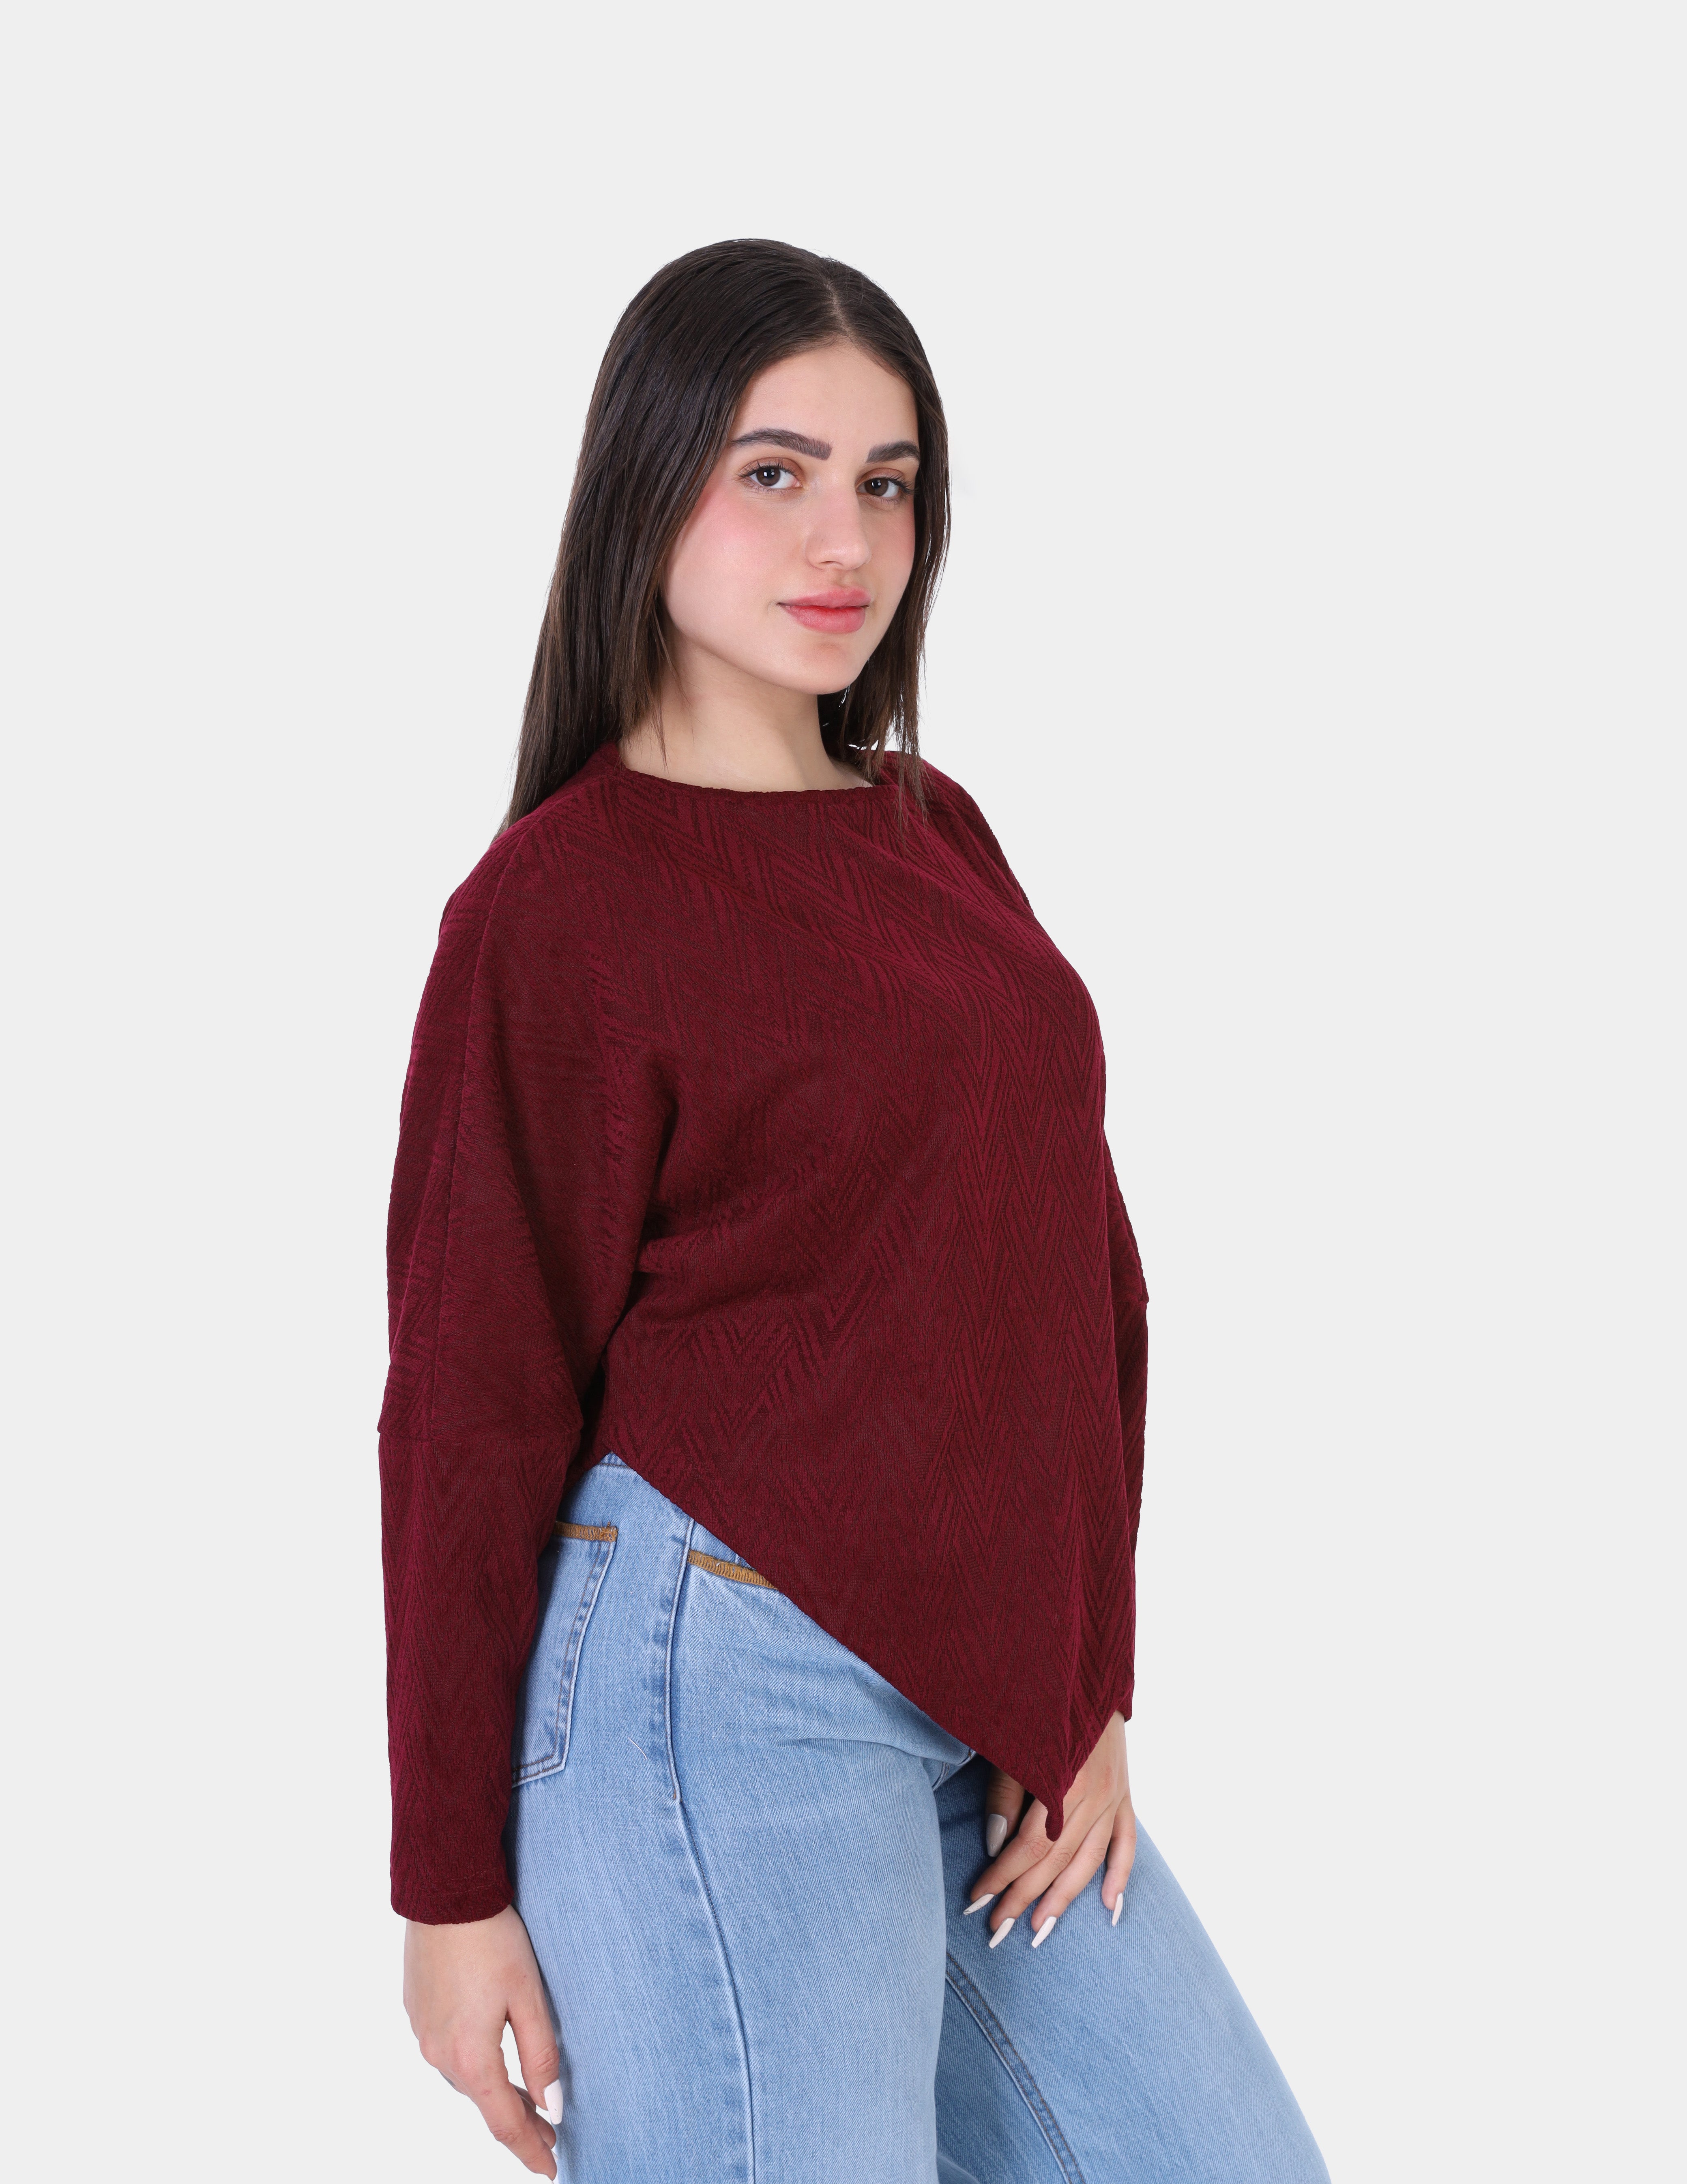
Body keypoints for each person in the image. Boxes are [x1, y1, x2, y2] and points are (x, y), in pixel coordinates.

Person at [380, 237, 1329, 2183]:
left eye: (887, 484)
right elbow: (468, 1406)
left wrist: (1080, 1686)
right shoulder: (555, 909)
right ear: (647, 483)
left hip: (982, 1703)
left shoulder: (931, 827)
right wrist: (446, 1891)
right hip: (713, 1683)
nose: (846, 542)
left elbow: (1072, 1277)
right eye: (776, 473)